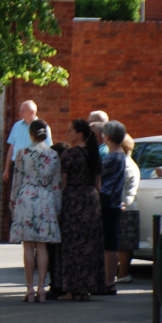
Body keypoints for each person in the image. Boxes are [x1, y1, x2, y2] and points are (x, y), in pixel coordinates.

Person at [9, 119, 61, 303]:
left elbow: (17, 180)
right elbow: (57, 185)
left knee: (28, 246)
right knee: (43, 245)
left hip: (27, 197)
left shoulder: (23, 153)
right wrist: (58, 207)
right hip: (46, 198)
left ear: (31, 134)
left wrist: (13, 201)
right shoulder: (54, 155)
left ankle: (30, 289)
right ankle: (42, 289)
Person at [58, 118, 104, 301]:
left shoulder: (69, 155)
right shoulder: (94, 154)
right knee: (88, 246)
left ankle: (70, 290)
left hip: (73, 200)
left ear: (79, 135)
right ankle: (85, 289)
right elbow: (98, 184)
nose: (66, 134)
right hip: (90, 200)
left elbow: (63, 183)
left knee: (71, 246)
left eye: (69, 131)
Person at [99, 121, 139, 293]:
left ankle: (108, 281)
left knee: (110, 244)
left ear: (107, 136)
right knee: (111, 243)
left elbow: (96, 174)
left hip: (108, 203)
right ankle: (109, 281)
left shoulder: (112, 157)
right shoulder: (120, 155)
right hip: (114, 202)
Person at [3, 100, 51, 183]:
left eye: (23, 110)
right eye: (20, 110)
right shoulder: (17, 126)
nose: (20, 112)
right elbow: (12, 147)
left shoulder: (42, 127)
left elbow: (47, 148)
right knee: (15, 192)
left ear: (32, 112)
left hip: (33, 165)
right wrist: (7, 168)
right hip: (16, 165)